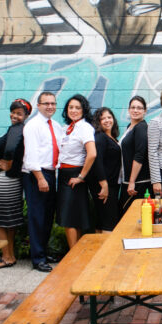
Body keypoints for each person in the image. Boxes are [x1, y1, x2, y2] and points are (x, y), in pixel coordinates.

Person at [56, 94, 105, 249]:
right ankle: (76, 253)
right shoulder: (68, 128)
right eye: (71, 107)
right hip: (64, 174)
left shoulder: (85, 127)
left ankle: (72, 256)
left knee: (68, 218)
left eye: (78, 108)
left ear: (84, 110)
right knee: (73, 217)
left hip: (74, 174)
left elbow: (92, 154)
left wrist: (80, 176)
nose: (74, 110)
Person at [22, 91, 62, 272]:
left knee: (47, 216)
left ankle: (44, 252)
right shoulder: (33, 126)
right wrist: (40, 178)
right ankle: (38, 258)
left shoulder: (55, 125)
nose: (50, 106)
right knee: (37, 216)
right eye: (46, 103)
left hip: (51, 173)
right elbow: (30, 155)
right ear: (38, 105)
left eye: (53, 103)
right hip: (36, 174)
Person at [0, 98, 32, 269]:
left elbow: (10, 148)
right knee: (10, 220)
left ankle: (6, 257)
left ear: (26, 115)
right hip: (13, 180)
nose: (14, 116)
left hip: (5, 181)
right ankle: (10, 255)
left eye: (19, 113)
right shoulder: (21, 129)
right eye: (13, 112)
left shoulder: (17, 129)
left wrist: (8, 163)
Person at [88, 107, 121, 233]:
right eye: (103, 119)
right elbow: (97, 161)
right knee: (109, 223)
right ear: (98, 122)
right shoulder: (100, 137)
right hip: (104, 186)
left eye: (109, 117)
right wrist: (104, 185)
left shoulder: (111, 137)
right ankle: (107, 245)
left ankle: (100, 245)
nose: (107, 120)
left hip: (111, 185)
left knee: (102, 220)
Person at [120, 96, 151, 215]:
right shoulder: (130, 127)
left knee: (132, 217)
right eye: (133, 107)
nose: (135, 110)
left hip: (138, 183)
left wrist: (132, 181)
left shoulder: (141, 127)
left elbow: (139, 155)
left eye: (139, 108)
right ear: (129, 110)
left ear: (145, 111)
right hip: (128, 181)